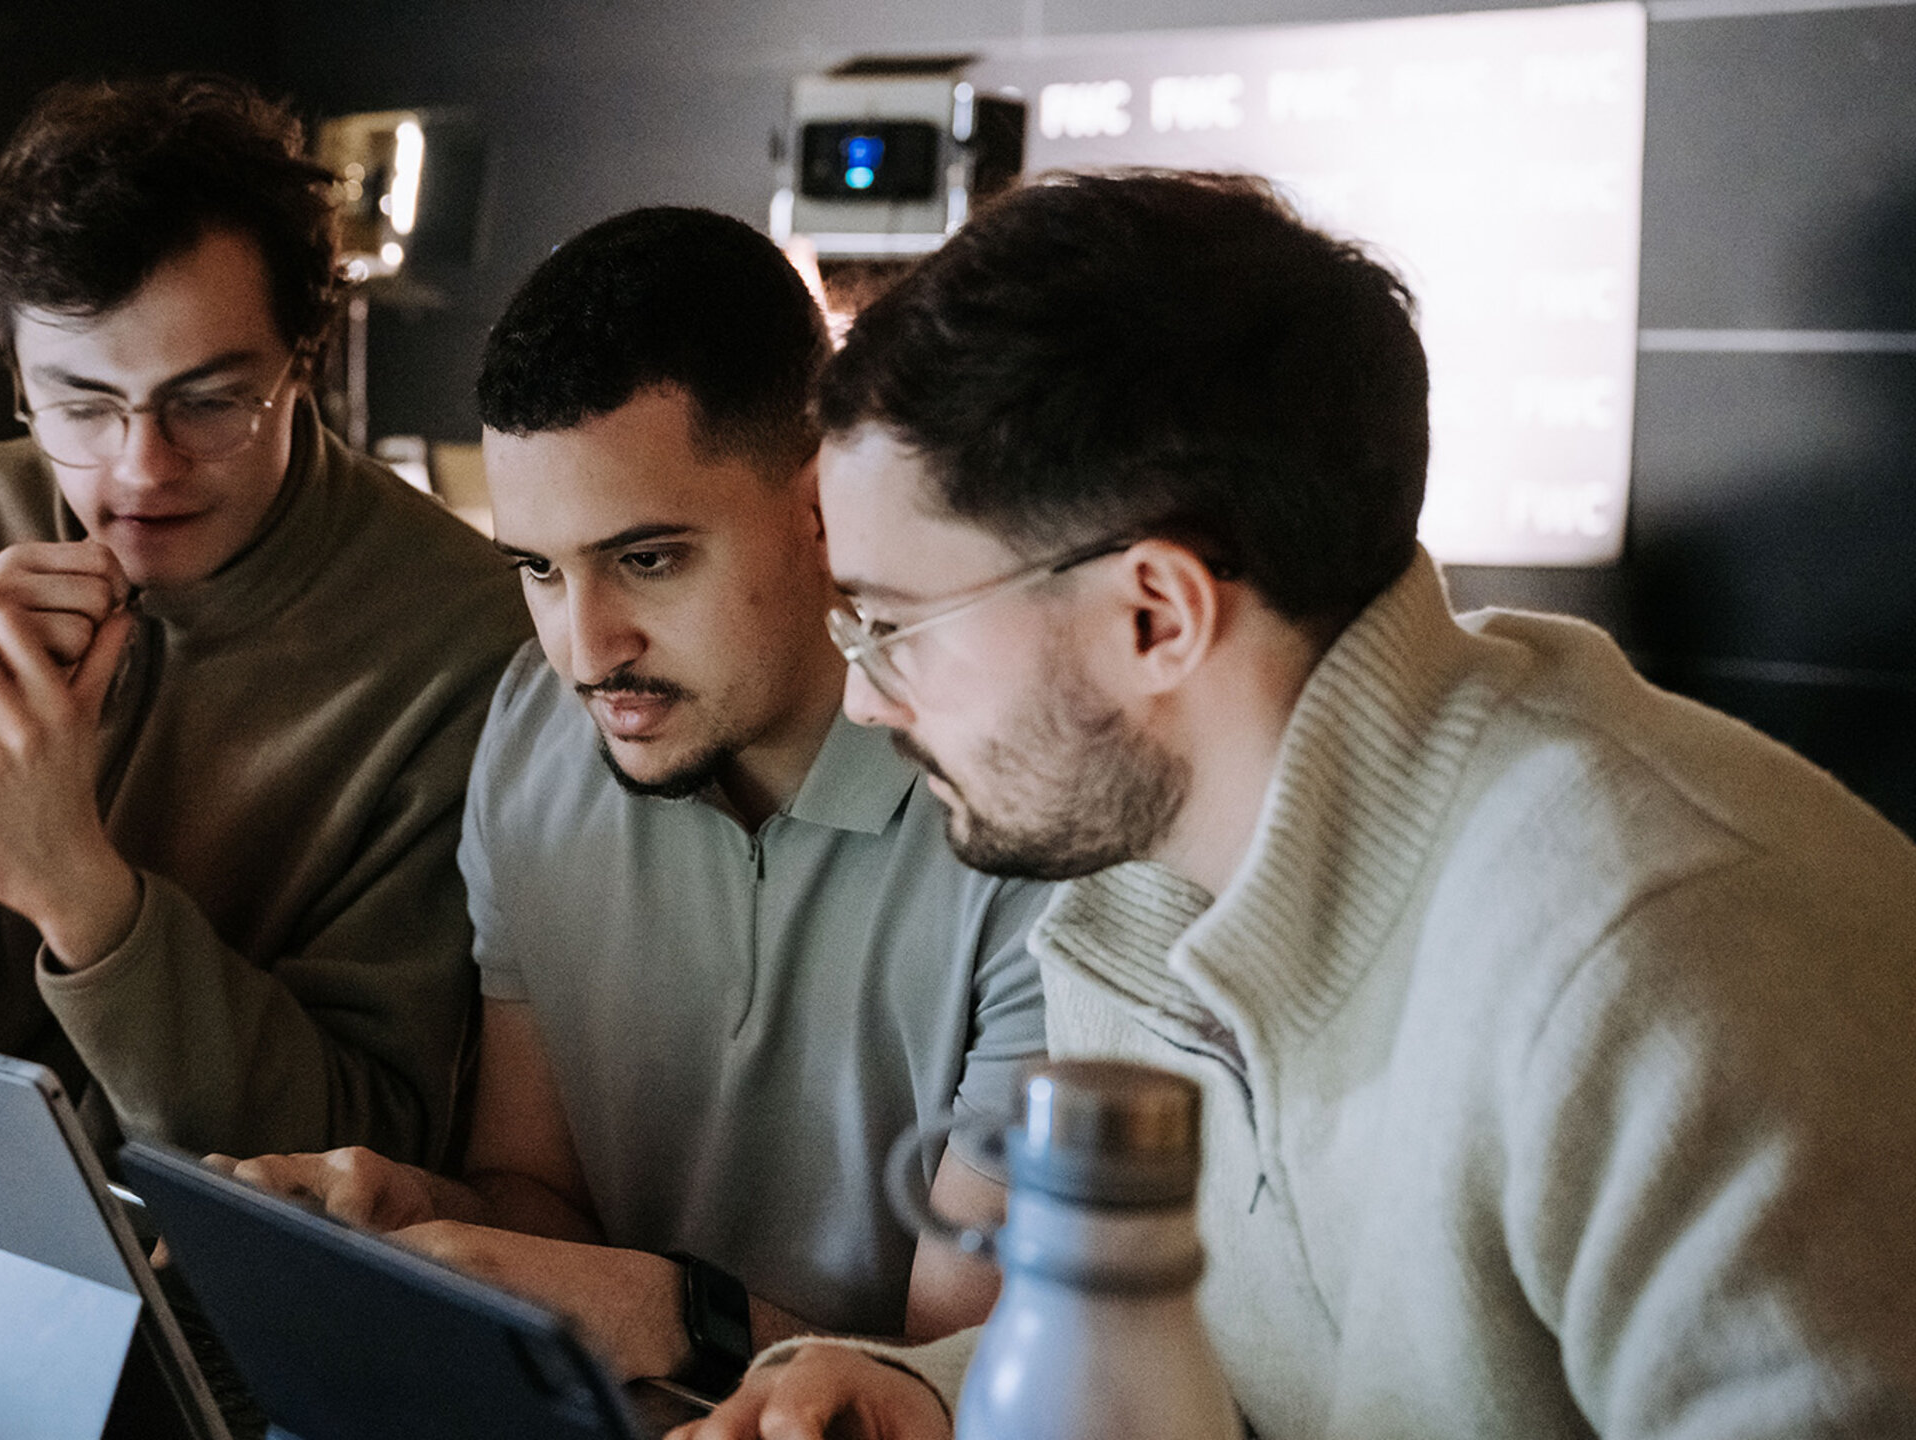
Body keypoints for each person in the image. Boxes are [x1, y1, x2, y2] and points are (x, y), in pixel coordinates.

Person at [685, 170, 1916, 1439]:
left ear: (1153, 616)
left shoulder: (1652, 954)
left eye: (892, 627)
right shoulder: (1137, 895)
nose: (867, 699)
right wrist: (931, 1400)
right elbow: (1228, 1377)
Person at [225, 207, 1046, 1390]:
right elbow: (539, 1197)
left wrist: (678, 1312)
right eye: (538, 569)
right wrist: (423, 1223)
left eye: (647, 560)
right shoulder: (536, 729)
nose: (585, 648)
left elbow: (958, 1386)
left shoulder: (1026, 818)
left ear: (825, 505)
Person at [0, 76, 531, 1166]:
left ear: (302, 358)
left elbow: (362, 1151)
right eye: (79, 406)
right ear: (17, 379)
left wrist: (78, 891)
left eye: (208, 402)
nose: (140, 469)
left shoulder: (463, 641)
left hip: (210, 1252)